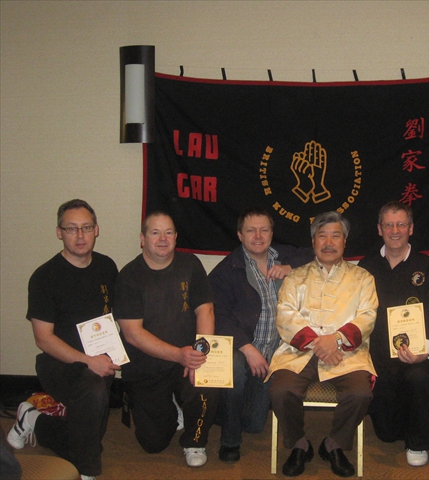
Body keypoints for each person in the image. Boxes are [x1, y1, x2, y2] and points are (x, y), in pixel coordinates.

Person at [7, 199, 119, 480]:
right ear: (59, 232)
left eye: (86, 227)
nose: (80, 236)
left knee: (88, 434)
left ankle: (33, 419)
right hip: (59, 364)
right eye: (71, 229)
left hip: (99, 361)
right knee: (90, 429)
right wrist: (87, 360)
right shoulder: (44, 277)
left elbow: (113, 319)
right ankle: (87, 472)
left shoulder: (107, 267)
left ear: (97, 230)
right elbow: (43, 339)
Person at [267, 211, 378, 478]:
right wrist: (319, 344)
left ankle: (334, 444)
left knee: (361, 394)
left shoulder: (363, 278)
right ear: (313, 241)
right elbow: (285, 314)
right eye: (322, 236)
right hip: (298, 353)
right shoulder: (295, 277)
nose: (328, 242)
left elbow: (367, 316)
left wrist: (336, 340)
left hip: (346, 355)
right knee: (280, 391)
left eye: (335, 236)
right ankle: (299, 444)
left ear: (345, 241)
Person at [114, 211, 220, 467]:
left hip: (186, 359)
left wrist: (199, 354)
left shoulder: (190, 265)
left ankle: (195, 442)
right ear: (142, 239)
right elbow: (132, 334)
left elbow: (205, 309)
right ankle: (172, 407)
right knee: (153, 443)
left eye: (169, 232)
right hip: (146, 366)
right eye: (155, 232)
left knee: (210, 380)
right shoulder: (128, 277)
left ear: (175, 237)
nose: (163, 239)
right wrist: (178, 354)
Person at [208, 208, 313, 463]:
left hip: (276, 353)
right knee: (234, 370)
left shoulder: (286, 255)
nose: (258, 236)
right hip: (244, 350)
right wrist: (247, 348)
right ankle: (230, 442)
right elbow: (218, 317)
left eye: (264, 230)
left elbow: (316, 254)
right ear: (240, 235)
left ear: (272, 233)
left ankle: (220, 410)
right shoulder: (226, 270)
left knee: (254, 424)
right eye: (251, 230)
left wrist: (290, 268)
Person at [358, 201, 429, 467]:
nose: (394, 230)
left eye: (401, 224)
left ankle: (418, 443)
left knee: (418, 379)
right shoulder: (366, 266)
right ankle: (424, 405)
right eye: (388, 224)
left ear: (410, 228)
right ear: (379, 229)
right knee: (387, 434)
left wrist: (425, 353)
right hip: (378, 359)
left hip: (417, 357)